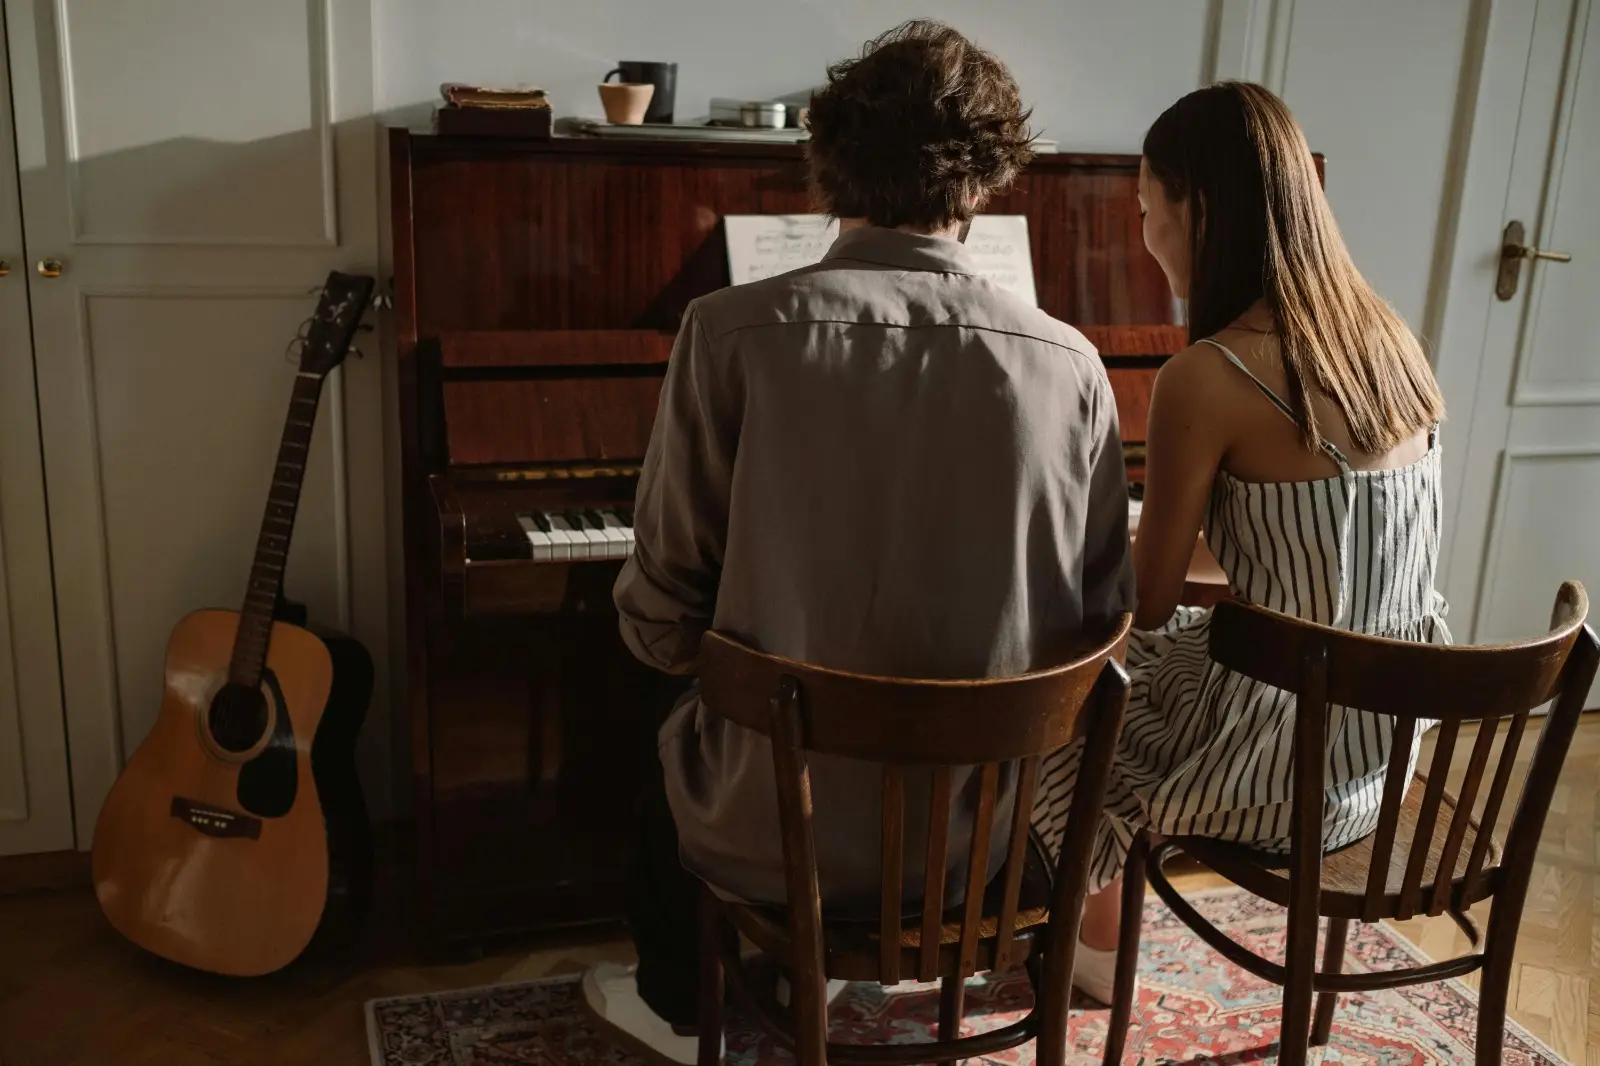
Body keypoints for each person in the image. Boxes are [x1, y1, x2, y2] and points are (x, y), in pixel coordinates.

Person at [583, 19, 1133, 1061]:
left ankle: (684, 999)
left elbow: (658, 618)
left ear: (827, 162)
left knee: (646, 686)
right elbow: (1102, 623)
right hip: (986, 843)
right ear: (987, 178)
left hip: (772, 833)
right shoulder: (1071, 363)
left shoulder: (727, 331)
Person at [1030, 80, 1450, 1002]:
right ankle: (1095, 938)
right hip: (1384, 745)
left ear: (1197, 208)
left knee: (1067, 704)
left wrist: (1085, 544)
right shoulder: (1391, 343)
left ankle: (1094, 945)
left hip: (1279, 769)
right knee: (1152, 665)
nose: (1144, 230)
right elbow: (1311, 545)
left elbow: (1147, 600)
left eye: (1146, 205)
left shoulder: (1209, 373)